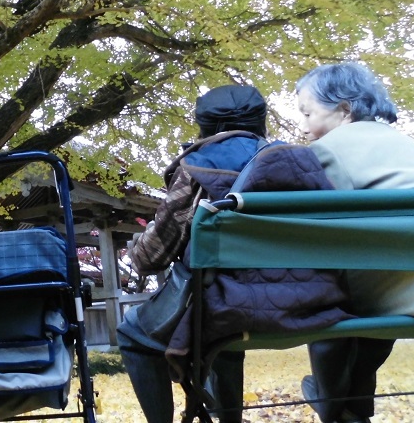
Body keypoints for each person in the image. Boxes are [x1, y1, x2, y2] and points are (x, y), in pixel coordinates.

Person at [117, 85, 350, 423]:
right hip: (314, 303)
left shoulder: (197, 167)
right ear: (260, 121)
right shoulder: (301, 163)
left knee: (133, 332)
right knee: (224, 316)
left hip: (229, 308)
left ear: (205, 127)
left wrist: (136, 249)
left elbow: (154, 255)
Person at [296, 62, 414, 423]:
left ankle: (334, 408)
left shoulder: (326, 150)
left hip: (393, 288)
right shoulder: (402, 144)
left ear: (344, 108)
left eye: (308, 113)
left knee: (324, 300)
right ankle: (349, 410)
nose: (303, 126)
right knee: (367, 334)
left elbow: (319, 232)